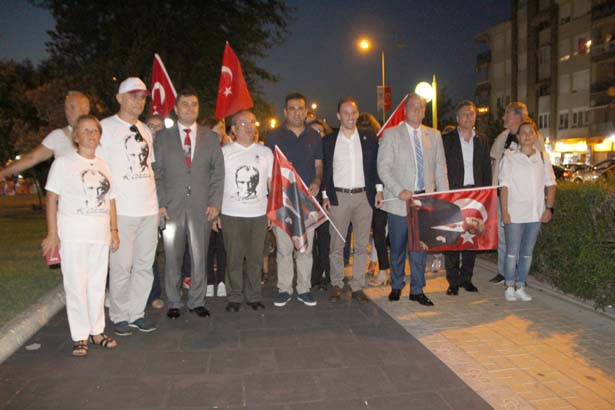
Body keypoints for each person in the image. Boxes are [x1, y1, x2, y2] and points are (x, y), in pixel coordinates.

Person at [42, 114, 119, 357]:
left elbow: (111, 200)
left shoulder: (104, 165)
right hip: (73, 235)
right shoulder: (63, 163)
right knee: (76, 285)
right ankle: (80, 336)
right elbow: (51, 198)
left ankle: (97, 331)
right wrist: (52, 233)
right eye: (85, 130)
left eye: (95, 130)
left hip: (99, 235)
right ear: (76, 136)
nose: (91, 134)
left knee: (97, 285)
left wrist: (114, 230)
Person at [153, 89, 224, 319]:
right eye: (185, 104)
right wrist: (161, 203)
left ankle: (197, 300)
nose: (190, 108)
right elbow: (157, 173)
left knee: (200, 255)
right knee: (172, 256)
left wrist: (215, 203)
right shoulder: (162, 137)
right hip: (171, 207)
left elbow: (218, 173)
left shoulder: (210, 137)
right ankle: (174, 301)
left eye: (194, 104)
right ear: (176, 109)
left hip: (201, 206)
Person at [98, 77, 158, 335]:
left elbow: (149, 168)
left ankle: (137, 313)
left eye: (143, 97)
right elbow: (98, 170)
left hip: (149, 208)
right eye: (133, 96)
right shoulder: (105, 128)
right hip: (121, 210)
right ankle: (120, 315)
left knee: (144, 265)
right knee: (121, 266)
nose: (139, 101)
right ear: (119, 98)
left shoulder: (145, 130)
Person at [377, 93, 449, 306]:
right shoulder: (391, 134)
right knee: (398, 247)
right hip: (400, 201)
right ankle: (396, 285)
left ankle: (417, 289)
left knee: (419, 248)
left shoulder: (434, 135)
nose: (417, 110)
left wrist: (444, 198)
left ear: (424, 111)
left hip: (424, 201)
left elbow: (440, 168)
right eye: (413, 107)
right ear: (405, 110)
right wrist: (398, 190)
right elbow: (383, 167)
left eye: (421, 107)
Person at [264, 92, 323, 307]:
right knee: (284, 249)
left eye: (300, 108)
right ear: (285, 111)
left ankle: (304, 289)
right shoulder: (273, 137)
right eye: (292, 108)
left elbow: (319, 165)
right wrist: (270, 203)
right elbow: (269, 171)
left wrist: (317, 180)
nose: (296, 113)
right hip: (283, 201)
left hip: (307, 201)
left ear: (306, 111)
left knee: (305, 249)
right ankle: (284, 289)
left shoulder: (314, 136)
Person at [322, 98, 382, 304]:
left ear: (357, 114)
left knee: (362, 245)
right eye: (346, 113)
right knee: (336, 244)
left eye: (353, 112)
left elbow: (375, 167)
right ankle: (336, 283)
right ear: (338, 116)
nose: (350, 116)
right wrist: (325, 195)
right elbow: (326, 171)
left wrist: (379, 191)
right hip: (338, 198)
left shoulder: (369, 137)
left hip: (364, 196)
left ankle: (358, 286)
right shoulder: (329, 141)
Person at [213, 110, 273, 312]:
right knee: (234, 259)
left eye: (252, 122)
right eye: (244, 123)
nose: (249, 126)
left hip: (259, 214)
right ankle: (235, 296)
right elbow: (216, 184)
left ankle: (254, 296)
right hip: (232, 214)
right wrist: (216, 212)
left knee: (256, 259)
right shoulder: (224, 152)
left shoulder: (266, 153)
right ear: (233, 129)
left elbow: (272, 184)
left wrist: (272, 211)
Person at [499, 119, 556, 301]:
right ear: (518, 136)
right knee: (512, 252)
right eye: (523, 133)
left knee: (527, 253)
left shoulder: (542, 158)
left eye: (531, 132)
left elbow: (551, 184)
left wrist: (549, 209)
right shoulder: (510, 157)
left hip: (535, 214)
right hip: (514, 213)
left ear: (535, 135)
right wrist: (505, 211)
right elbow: (504, 186)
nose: (527, 136)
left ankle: (521, 285)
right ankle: (509, 285)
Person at [489, 101, 545, 284]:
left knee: (521, 241)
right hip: (503, 196)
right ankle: (503, 272)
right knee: (503, 236)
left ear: (517, 116)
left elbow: (542, 165)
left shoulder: (534, 138)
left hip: (523, 199)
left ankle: (520, 276)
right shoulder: (503, 137)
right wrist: (493, 190)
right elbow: (494, 163)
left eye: (507, 113)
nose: (504, 117)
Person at [441, 100, 491, 295]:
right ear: (457, 118)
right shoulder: (447, 140)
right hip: (454, 193)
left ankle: (466, 279)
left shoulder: (482, 140)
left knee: (472, 237)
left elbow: (486, 167)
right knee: (453, 237)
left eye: (471, 113)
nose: (468, 117)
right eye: (464, 114)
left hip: (476, 194)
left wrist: (487, 192)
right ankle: (453, 281)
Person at [0, 91, 90, 179]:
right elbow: (31, 158)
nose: (68, 112)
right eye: (67, 108)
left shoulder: (97, 134)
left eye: (72, 107)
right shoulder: (58, 136)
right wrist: (3, 173)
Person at [357, 112, 391, 287]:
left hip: (377, 193)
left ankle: (383, 270)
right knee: (377, 233)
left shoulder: (378, 143)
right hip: (374, 193)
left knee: (377, 233)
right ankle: (381, 268)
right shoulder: (376, 142)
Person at [202, 116, 230, 298]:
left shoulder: (227, 151)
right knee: (206, 246)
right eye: (218, 128)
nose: (221, 132)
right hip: (205, 205)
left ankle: (221, 280)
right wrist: (212, 208)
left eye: (222, 128)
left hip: (225, 204)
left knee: (222, 246)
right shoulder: (201, 152)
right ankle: (209, 280)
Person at [308, 119, 333, 291]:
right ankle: (314, 276)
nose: (317, 135)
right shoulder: (306, 151)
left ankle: (327, 274)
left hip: (326, 200)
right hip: (309, 199)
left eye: (320, 131)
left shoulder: (330, 152)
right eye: (313, 131)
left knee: (325, 240)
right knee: (311, 241)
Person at [145, 114, 165, 310]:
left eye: (160, 127)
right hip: (144, 208)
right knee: (147, 253)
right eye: (152, 126)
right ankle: (149, 294)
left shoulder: (169, 150)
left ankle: (156, 293)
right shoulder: (140, 149)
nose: (156, 130)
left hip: (166, 206)